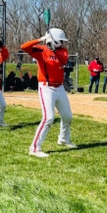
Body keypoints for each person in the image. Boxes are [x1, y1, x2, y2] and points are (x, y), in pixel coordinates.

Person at [21, 28, 76, 158]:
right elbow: (24, 47)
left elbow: (61, 60)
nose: (63, 43)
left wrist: (52, 49)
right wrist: (41, 40)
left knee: (67, 116)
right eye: (60, 41)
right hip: (46, 88)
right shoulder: (41, 51)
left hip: (60, 87)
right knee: (48, 118)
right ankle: (34, 148)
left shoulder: (63, 51)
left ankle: (63, 139)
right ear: (54, 40)